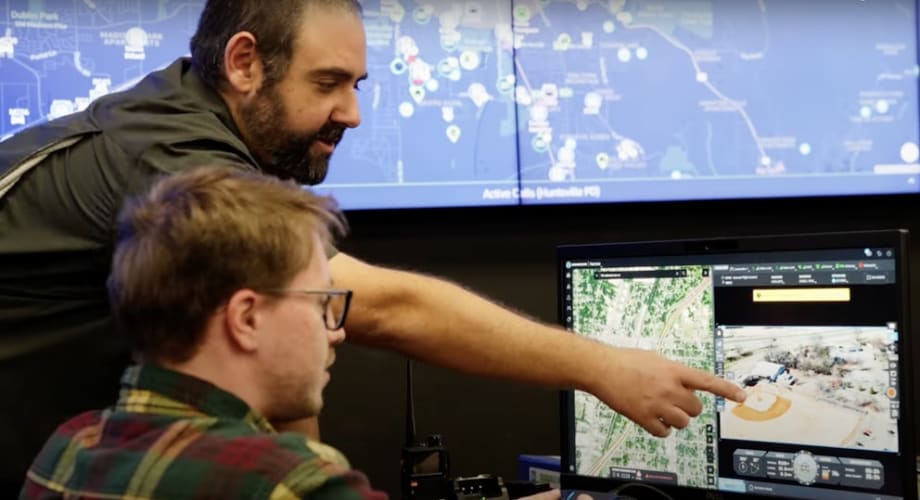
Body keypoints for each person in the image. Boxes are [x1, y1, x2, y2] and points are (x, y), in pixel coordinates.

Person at [0, 0, 745, 491]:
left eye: (358, 84)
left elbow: (278, 385)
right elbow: (371, 304)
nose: (351, 113)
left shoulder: (75, 446)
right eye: (329, 83)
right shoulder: (171, 152)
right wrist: (603, 366)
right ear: (244, 61)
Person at [20, 166, 390, 498]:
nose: (335, 332)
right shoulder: (296, 484)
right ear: (246, 318)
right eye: (321, 302)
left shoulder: (65, 451)